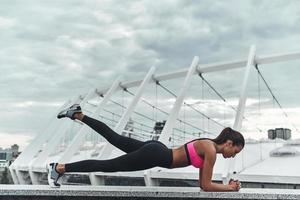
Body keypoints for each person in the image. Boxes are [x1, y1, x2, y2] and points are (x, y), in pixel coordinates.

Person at [48, 104, 244, 191]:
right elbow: (208, 187)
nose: (232, 156)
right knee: (107, 165)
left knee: (113, 137)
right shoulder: (210, 151)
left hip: (156, 150)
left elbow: (203, 185)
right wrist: (230, 188)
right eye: (235, 151)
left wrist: (227, 187)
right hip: (156, 155)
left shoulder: (208, 145)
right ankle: (59, 168)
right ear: (229, 143)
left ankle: (78, 114)